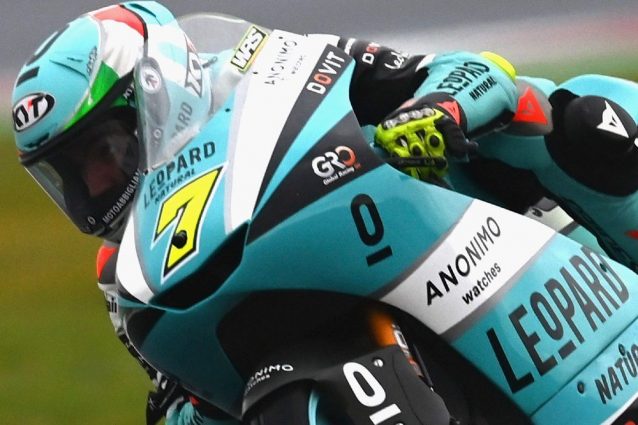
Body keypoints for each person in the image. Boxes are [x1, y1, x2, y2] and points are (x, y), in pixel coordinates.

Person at [12, 1, 638, 424]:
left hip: (467, 205)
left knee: (573, 120)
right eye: (68, 175)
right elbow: (179, 404)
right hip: (295, 329)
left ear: (156, 89)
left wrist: (437, 111)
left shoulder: (282, 68)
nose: (93, 186)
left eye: (103, 151)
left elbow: (478, 71)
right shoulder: (126, 277)